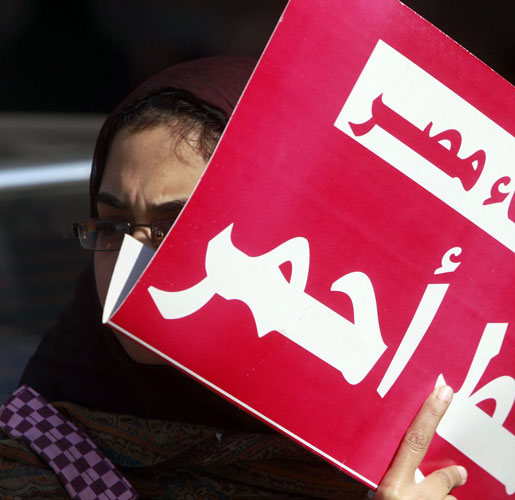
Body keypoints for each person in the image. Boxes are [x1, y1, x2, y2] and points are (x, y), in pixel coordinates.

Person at [5, 57, 467, 499]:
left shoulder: (395, 462)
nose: (132, 263)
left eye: (175, 229)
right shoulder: (39, 457)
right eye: (112, 225)